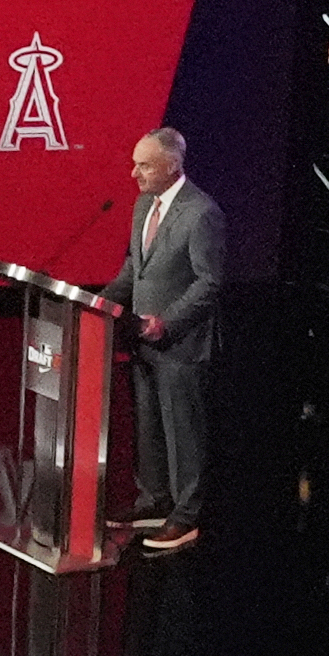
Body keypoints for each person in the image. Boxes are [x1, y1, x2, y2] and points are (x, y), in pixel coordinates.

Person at [106, 123, 226, 551]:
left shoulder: (201, 212)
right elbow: (132, 270)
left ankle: (186, 516)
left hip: (179, 344)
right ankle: (154, 499)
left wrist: (168, 322)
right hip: (142, 341)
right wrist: (97, 303)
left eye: (144, 166)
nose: (134, 175)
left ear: (172, 166)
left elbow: (209, 282)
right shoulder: (144, 205)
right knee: (149, 426)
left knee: (183, 432)